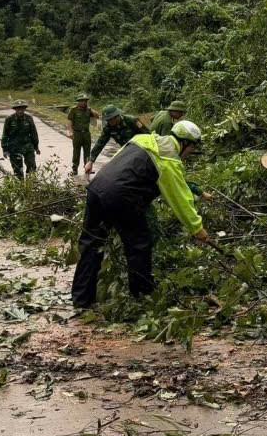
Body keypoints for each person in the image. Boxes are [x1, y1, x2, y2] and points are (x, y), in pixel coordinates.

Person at [71, 120, 209, 308]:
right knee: (139, 245)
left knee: (91, 243)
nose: (190, 153)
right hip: (123, 197)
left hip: (97, 188)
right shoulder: (170, 161)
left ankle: (81, 300)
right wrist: (197, 228)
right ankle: (142, 298)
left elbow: (117, 161)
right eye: (192, 149)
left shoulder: (143, 138)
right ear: (186, 143)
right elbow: (181, 200)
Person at [84, 104, 149, 175]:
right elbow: (100, 143)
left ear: (117, 116)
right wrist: (91, 161)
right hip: (127, 152)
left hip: (141, 150)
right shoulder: (108, 128)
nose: (109, 122)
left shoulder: (132, 120)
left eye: (111, 119)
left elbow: (148, 135)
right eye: (107, 120)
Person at [1, 100, 40, 179]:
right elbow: (5, 135)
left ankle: (31, 185)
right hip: (14, 147)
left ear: (24, 109)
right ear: (15, 109)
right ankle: (20, 186)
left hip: (27, 146)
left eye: (22, 109)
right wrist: (4, 149)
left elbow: (33, 133)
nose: (20, 111)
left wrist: (36, 147)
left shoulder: (29, 118)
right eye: (18, 109)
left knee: (32, 167)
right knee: (18, 170)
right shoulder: (9, 119)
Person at [67, 94, 99, 176]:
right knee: (76, 151)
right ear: (79, 101)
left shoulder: (88, 110)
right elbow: (70, 121)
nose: (84, 102)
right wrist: (70, 131)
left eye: (86, 101)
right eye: (82, 101)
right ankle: (75, 168)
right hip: (77, 133)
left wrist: (90, 109)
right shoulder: (73, 110)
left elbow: (97, 116)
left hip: (86, 133)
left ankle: (87, 168)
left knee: (87, 152)